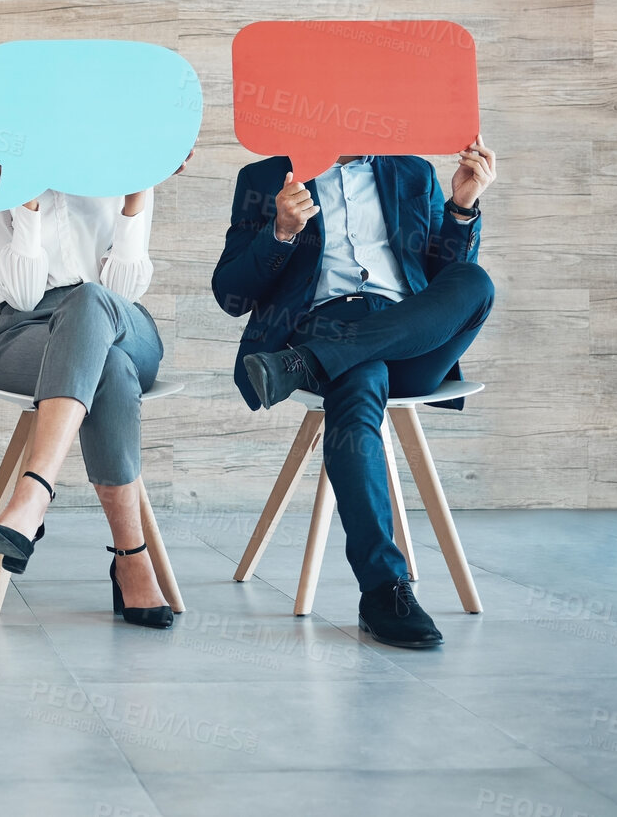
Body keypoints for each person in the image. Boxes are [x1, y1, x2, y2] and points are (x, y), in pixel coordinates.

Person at [213, 137, 497, 648]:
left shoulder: (411, 171)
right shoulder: (263, 178)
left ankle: (303, 366)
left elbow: (440, 276)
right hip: (327, 324)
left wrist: (461, 207)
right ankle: (384, 588)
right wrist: (280, 232)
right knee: (359, 381)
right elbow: (230, 293)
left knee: (473, 282)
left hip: (411, 340)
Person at [0, 148, 189, 629]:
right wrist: (24, 201)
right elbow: (23, 294)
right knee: (106, 368)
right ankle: (131, 557)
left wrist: (137, 190)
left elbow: (123, 290)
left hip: (121, 324)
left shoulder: (121, 169)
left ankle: (33, 495)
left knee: (93, 302)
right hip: (27, 333)